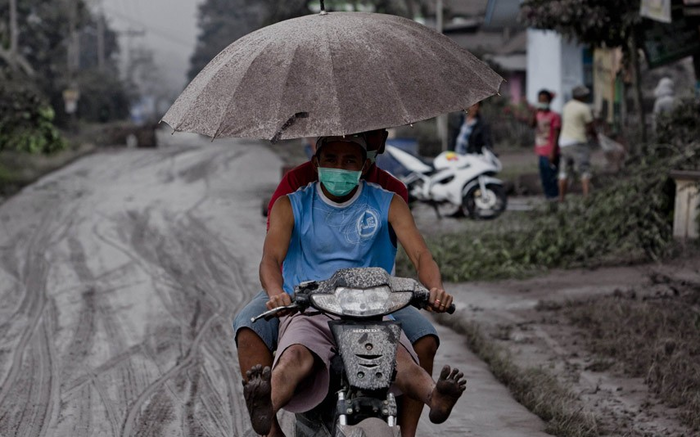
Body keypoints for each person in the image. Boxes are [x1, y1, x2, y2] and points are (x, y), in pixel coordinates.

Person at [243, 134, 466, 437]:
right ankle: (266, 405)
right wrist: (276, 293)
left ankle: (434, 398)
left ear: (364, 166)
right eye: (331, 159)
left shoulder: (389, 201)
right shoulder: (289, 203)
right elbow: (270, 258)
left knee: (398, 358)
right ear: (316, 162)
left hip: (372, 307)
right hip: (310, 308)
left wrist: (435, 287)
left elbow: (420, 254)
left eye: (350, 161)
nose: (340, 167)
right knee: (294, 357)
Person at [558, 85, 596, 201]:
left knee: (564, 171)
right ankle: (587, 197)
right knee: (584, 170)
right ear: (581, 96)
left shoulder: (566, 107)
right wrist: (595, 137)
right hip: (578, 142)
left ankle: (562, 198)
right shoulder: (584, 108)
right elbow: (590, 127)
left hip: (564, 142)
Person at [530, 90, 561, 201]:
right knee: (544, 177)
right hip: (541, 151)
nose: (542, 102)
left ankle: (554, 197)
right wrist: (534, 113)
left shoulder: (555, 116)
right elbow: (531, 125)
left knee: (552, 176)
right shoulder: (538, 115)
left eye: (544, 100)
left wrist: (552, 152)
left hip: (551, 152)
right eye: (540, 100)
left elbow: (556, 135)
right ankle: (548, 197)